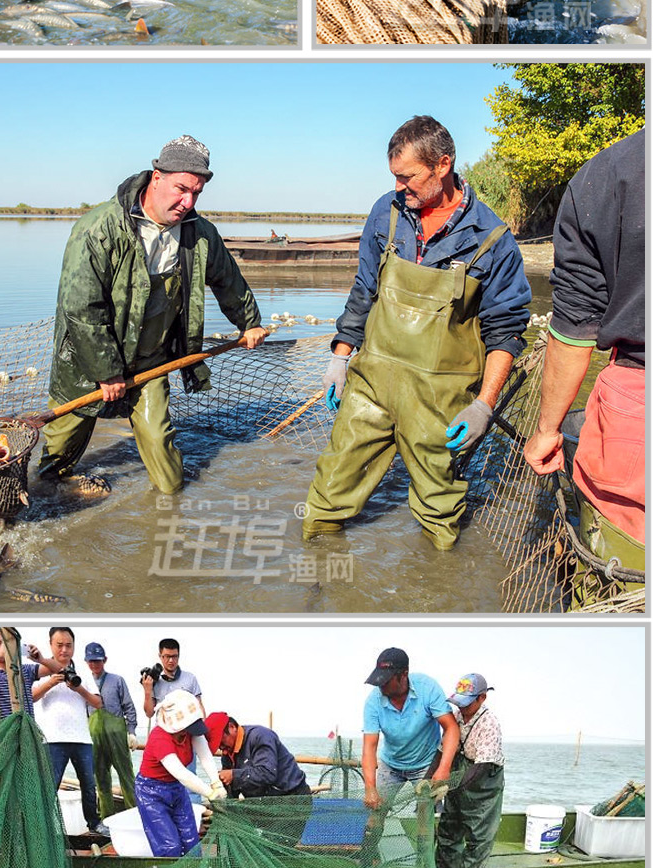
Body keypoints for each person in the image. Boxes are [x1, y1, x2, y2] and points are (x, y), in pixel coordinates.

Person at [303, 116, 531, 550]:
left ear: (442, 165)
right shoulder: (386, 213)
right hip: (371, 382)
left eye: (407, 177)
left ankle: (438, 587)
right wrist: (340, 354)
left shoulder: (493, 239)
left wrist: (484, 405)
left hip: (438, 396)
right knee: (328, 490)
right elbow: (364, 288)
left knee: (439, 507)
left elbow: (506, 330)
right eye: (394, 177)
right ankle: (316, 577)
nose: (400, 187)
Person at [39, 134, 268, 496]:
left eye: (196, 194)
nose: (187, 202)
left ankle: (171, 507)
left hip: (150, 363)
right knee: (55, 462)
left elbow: (228, 281)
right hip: (86, 363)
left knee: (168, 474)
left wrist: (250, 322)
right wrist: (106, 371)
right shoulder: (97, 229)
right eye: (181, 189)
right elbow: (82, 310)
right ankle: (51, 489)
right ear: (156, 176)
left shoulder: (200, 233)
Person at [523, 129, 645, 601]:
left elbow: (574, 330)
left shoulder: (607, 174)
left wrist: (547, 431)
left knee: (617, 586)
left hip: (635, 406)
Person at [362, 647, 459, 808]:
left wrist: (443, 768)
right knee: (376, 812)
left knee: (426, 815)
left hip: (425, 763)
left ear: (404, 674)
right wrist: (370, 788)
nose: (381, 685)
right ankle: (372, 833)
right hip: (391, 764)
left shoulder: (427, 688)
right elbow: (369, 748)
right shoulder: (373, 701)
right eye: (378, 680)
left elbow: (452, 728)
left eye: (386, 680)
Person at [33, 627, 108, 836]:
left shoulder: (82, 672)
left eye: (69, 645)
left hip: (82, 738)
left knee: (89, 784)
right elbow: (30, 697)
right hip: (53, 738)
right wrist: (50, 681)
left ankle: (94, 824)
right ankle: (43, 827)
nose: (64, 650)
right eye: (59, 645)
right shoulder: (40, 670)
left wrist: (79, 688)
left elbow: (98, 702)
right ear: (50, 645)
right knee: (50, 786)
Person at [135, 690, 226, 857]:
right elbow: (181, 773)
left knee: (191, 842)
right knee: (170, 847)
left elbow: (205, 755)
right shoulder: (159, 738)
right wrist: (210, 793)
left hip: (176, 790)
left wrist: (216, 783)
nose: (191, 731)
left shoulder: (189, 733)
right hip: (151, 793)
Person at [436, 674, 504, 868]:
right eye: (459, 703)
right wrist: (430, 779)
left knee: (479, 831)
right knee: (449, 826)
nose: (461, 708)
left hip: (484, 777)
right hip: (460, 770)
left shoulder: (489, 723)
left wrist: (450, 785)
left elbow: (481, 768)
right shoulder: (456, 717)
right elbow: (442, 751)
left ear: (482, 698)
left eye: (466, 703)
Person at [84, 641, 138, 819]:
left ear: (105, 660)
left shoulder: (117, 680)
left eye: (98, 661)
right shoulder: (82, 682)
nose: (94, 665)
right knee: (101, 778)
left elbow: (129, 707)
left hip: (117, 735)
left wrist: (131, 732)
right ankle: (106, 818)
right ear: (86, 661)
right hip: (95, 736)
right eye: (91, 661)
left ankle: (133, 815)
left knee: (126, 775)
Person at [204, 712, 311, 798]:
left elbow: (267, 774)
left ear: (232, 727)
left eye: (221, 742)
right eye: (218, 746)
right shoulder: (227, 752)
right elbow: (231, 790)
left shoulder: (260, 736)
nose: (222, 748)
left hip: (293, 798)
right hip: (264, 802)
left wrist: (233, 775)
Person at [0, 627, 63, 719]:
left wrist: (41, 659)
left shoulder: (24, 670)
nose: (4, 647)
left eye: (7, 643)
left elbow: (58, 669)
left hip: (27, 730)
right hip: (2, 731)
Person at [142, 638, 203, 719]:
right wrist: (147, 691)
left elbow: (200, 708)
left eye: (174, 656)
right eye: (167, 656)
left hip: (187, 729)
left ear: (179, 656)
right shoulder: (153, 681)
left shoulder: (190, 678)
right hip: (162, 729)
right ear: (160, 656)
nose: (171, 660)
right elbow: (149, 714)